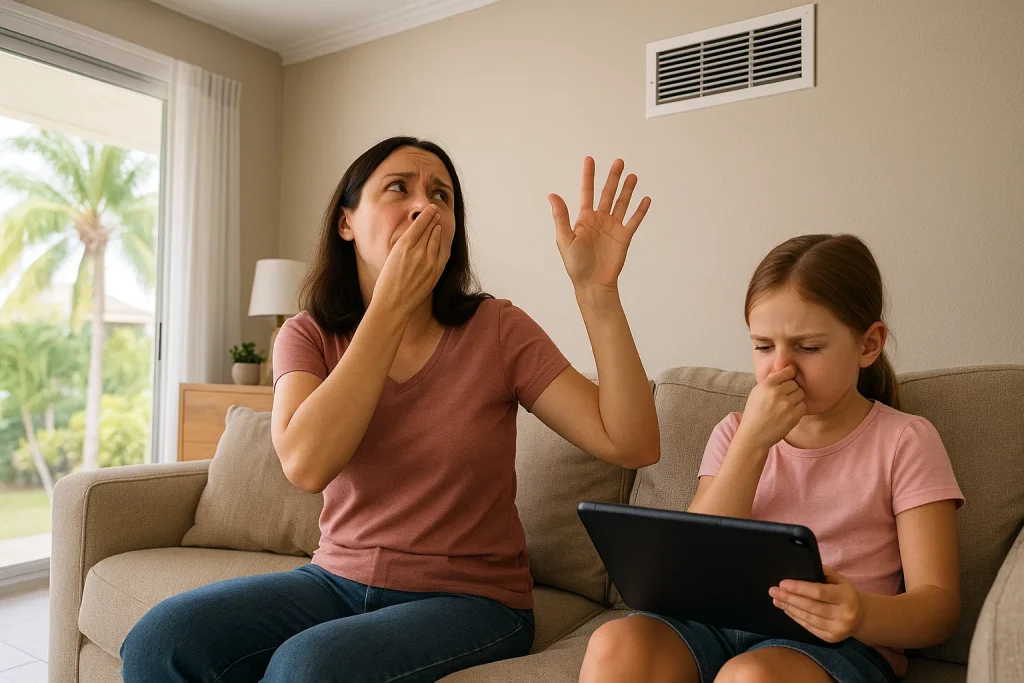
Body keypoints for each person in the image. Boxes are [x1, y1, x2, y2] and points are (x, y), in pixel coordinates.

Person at [120, 136, 660, 682]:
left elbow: (630, 443)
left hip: (475, 601)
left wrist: (598, 293)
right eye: (398, 188)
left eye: (442, 197)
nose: (425, 207)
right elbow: (306, 465)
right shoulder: (306, 335)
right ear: (346, 222)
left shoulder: (496, 329)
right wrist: (389, 310)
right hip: (334, 579)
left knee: (307, 669)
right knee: (161, 641)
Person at [580, 234, 964, 683]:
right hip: (715, 625)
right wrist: (753, 442)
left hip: (834, 645)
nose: (781, 368)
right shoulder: (733, 432)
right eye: (764, 346)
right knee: (614, 645)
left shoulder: (905, 441)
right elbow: (696, 559)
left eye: (808, 347)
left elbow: (938, 606)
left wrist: (861, 613)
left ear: (868, 345)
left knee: (752, 677)